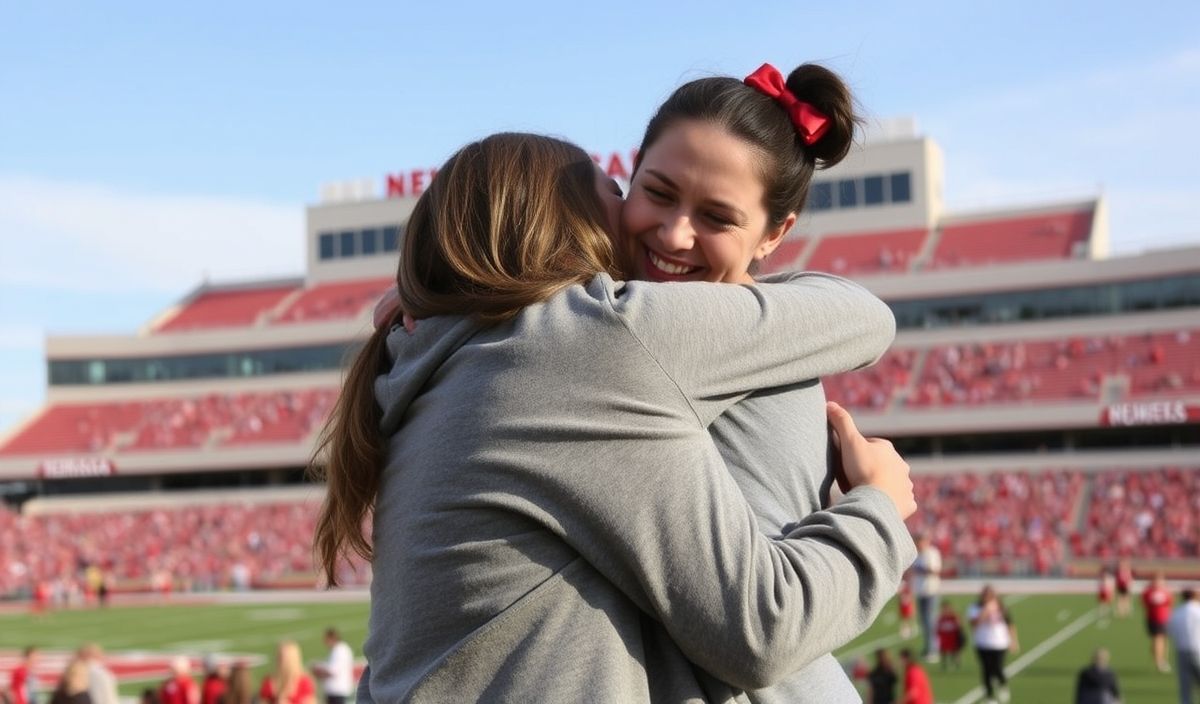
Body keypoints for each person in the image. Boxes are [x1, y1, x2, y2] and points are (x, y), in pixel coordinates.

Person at [316, 130, 917, 703]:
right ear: (564, 224)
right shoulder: (576, 343)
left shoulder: (446, 360)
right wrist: (879, 507)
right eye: (625, 195)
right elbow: (766, 625)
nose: (658, 232)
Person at [967, 584, 1019, 704]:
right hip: (982, 643)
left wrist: (1014, 640)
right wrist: (985, 611)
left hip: (999, 643)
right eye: (985, 595)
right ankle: (989, 697)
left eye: (990, 595)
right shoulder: (975, 608)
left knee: (997, 668)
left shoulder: (1002, 608)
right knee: (986, 671)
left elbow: (1010, 624)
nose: (987, 597)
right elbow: (973, 625)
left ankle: (1003, 684)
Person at [912, 533, 943, 661]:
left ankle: (933, 649)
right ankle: (928, 647)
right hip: (921, 591)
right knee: (924, 622)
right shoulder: (917, 554)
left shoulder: (932, 553)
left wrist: (922, 570)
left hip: (931, 590)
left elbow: (935, 571)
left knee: (930, 621)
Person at [1167, 587, 1200, 704]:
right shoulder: (1198, 611)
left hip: (1182, 650)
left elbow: (1170, 631)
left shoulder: (1176, 612)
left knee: (1185, 685)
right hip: (1197, 649)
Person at [309, 628, 354, 704]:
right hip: (336, 691)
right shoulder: (339, 649)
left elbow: (333, 671)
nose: (325, 642)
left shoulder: (339, 650)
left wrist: (318, 671)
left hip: (337, 691)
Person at [1145, 572, 1175, 673]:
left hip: (1165, 618)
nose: (1159, 582)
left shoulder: (1166, 591)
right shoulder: (1149, 592)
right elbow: (1145, 603)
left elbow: (1170, 603)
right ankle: (1159, 662)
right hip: (1154, 619)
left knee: (1164, 640)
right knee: (1158, 640)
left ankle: (1162, 660)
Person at [936, 601, 965, 669]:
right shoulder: (941, 617)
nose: (946, 610)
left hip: (953, 636)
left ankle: (957, 662)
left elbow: (960, 625)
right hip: (944, 637)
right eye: (944, 608)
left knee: (955, 650)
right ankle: (944, 664)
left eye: (947, 608)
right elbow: (938, 627)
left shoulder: (954, 617)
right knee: (943, 651)